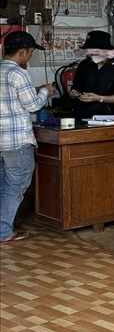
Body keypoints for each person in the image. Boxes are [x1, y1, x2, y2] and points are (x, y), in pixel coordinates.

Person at [1, 31, 54, 243]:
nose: (29, 57)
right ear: (22, 52)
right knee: (15, 186)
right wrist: (45, 92)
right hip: (16, 143)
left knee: (4, 185)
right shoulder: (18, 73)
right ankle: (4, 232)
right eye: (30, 52)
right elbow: (32, 105)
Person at [70, 31, 114, 120]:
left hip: (108, 117)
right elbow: (76, 87)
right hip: (82, 115)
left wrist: (99, 98)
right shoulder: (84, 65)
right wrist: (74, 93)